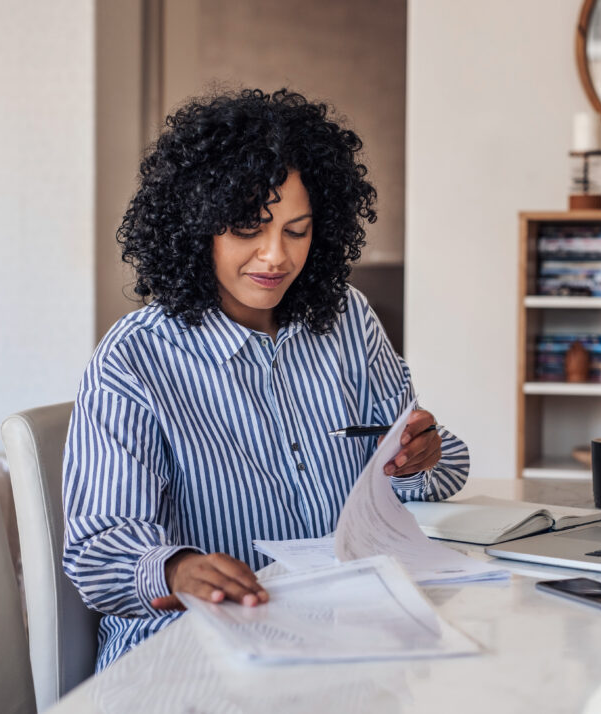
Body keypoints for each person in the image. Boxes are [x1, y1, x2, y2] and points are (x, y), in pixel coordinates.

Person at [62, 88, 470, 670]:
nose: (275, 256)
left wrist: (421, 456)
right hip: (191, 655)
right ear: (197, 226)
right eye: (248, 229)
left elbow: (419, 479)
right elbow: (99, 548)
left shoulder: (349, 320)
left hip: (347, 637)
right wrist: (176, 569)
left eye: (297, 231)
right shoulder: (136, 357)